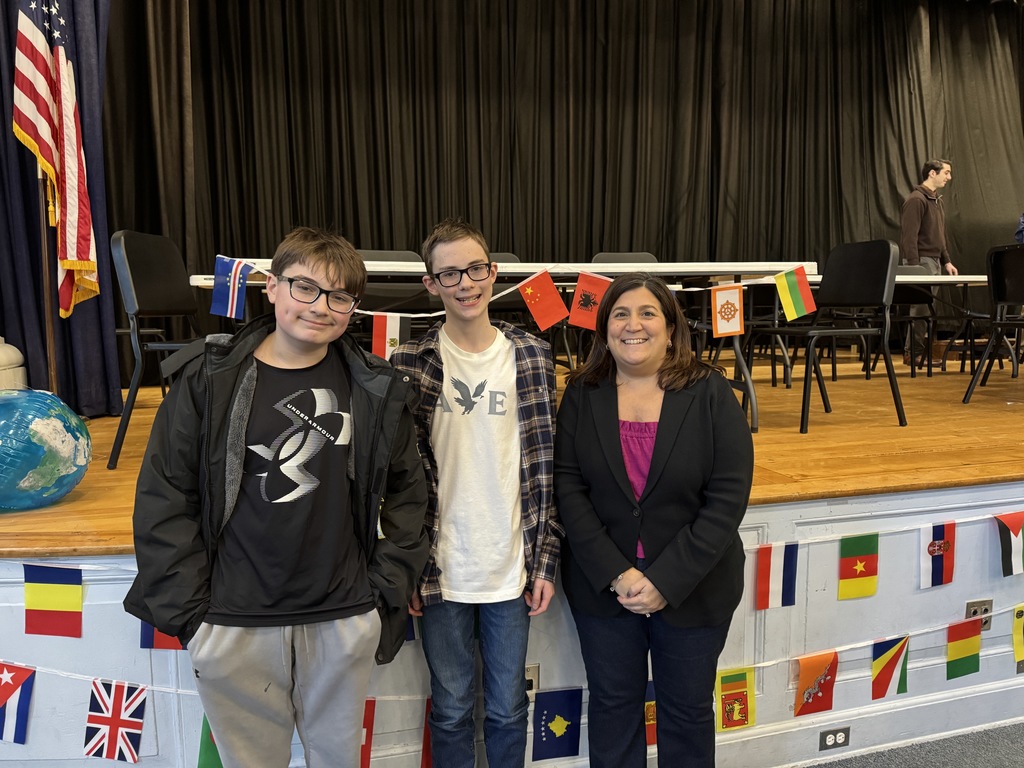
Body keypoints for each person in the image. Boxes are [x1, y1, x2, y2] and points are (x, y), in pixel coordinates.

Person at [123, 227, 429, 768]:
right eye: (304, 287)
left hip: (343, 616)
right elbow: (165, 496)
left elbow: (409, 495)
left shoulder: (374, 386)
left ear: (354, 307)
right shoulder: (208, 378)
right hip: (232, 619)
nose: (320, 307)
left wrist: (382, 595)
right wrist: (195, 616)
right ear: (271, 286)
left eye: (339, 296)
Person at [554, 273, 754, 768]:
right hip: (605, 588)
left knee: (686, 715)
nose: (633, 325)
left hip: (696, 587)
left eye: (647, 313)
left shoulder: (710, 391)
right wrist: (618, 574)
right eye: (620, 314)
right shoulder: (583, 392)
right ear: (603, 328)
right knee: (612, 709)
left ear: (670, 327)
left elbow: (728, 496)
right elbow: (568, 488)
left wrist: (666, 578)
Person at [390, 217, 561, 768]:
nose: (465, 283)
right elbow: (401, 483)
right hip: (441, 569)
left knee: (509, 707)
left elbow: (545, 468)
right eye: (450, 274)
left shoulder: (532, 356)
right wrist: (408, 566)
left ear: (493, 273)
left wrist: (546, 562)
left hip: (511, 566)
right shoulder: (409, 366)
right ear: (430, 283)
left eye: (475, 269)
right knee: (452, 705)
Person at [899, 158, 959, 367]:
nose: (949, 177)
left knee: (928, 309)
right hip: (921, 262)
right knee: (920, 309)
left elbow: (940, 236)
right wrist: (915, 268)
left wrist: (947, 261)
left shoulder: (936, 200)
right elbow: (909, 237)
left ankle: (919, 351)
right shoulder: (917, 199)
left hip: (934, 261)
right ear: (932, 173)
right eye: (946, 173)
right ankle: (912, 352)